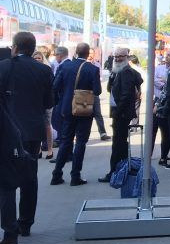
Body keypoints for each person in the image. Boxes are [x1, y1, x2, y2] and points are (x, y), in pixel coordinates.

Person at [0, 32, 54, 244]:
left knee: (6, 180)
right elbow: (49, 102)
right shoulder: (44, 70)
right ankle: (26, 224)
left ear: (14, 47)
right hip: (32, 131)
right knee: (30, 177)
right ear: (33, 49)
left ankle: (10, 229)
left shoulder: (5, 67)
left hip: (7, 131)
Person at [50, 43, 102, 186]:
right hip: (84, 109)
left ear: (76, 52)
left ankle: (56, 174)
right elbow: (97, 91)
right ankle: (75, 176)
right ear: (88, 54)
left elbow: (55, 86)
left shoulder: (65, 66)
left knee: (66, 141)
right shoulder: (92, 69)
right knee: (80, 142)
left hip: (67, 108)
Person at [99, 48, 143, 183]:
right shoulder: (118, 71)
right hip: (119, 113)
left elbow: (126, 94)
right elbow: (109, 89)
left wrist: (118, 112)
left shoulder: (126, 72)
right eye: (115, 56)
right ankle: (122, 169)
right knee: (121, 143)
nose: (117, 59)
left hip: (122, 114)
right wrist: (112, 76)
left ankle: (114, 172)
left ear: (127, 57)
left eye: (120, 56)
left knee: (118, 144)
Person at [31, 52, 54, 160]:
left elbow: (51, 86)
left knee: (47, 125)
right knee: (36, 126)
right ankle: (39, 149)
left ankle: (50, 149)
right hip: (34, 103)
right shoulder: (30, 70)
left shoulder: (46, 69)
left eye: (39, 58)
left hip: (46, 103)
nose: (37, 60)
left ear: (42, 59)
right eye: (35, 58)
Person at [87, 48, 110, 141]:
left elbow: (100, 78)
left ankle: (103, 133)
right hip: (84, 94)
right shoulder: (82, 64)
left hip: (94, 93)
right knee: (83, 113)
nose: (90, 55)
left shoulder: (97, 65)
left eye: (92, 53)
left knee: (98, 113)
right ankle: (80, 134)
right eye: (89, 53)